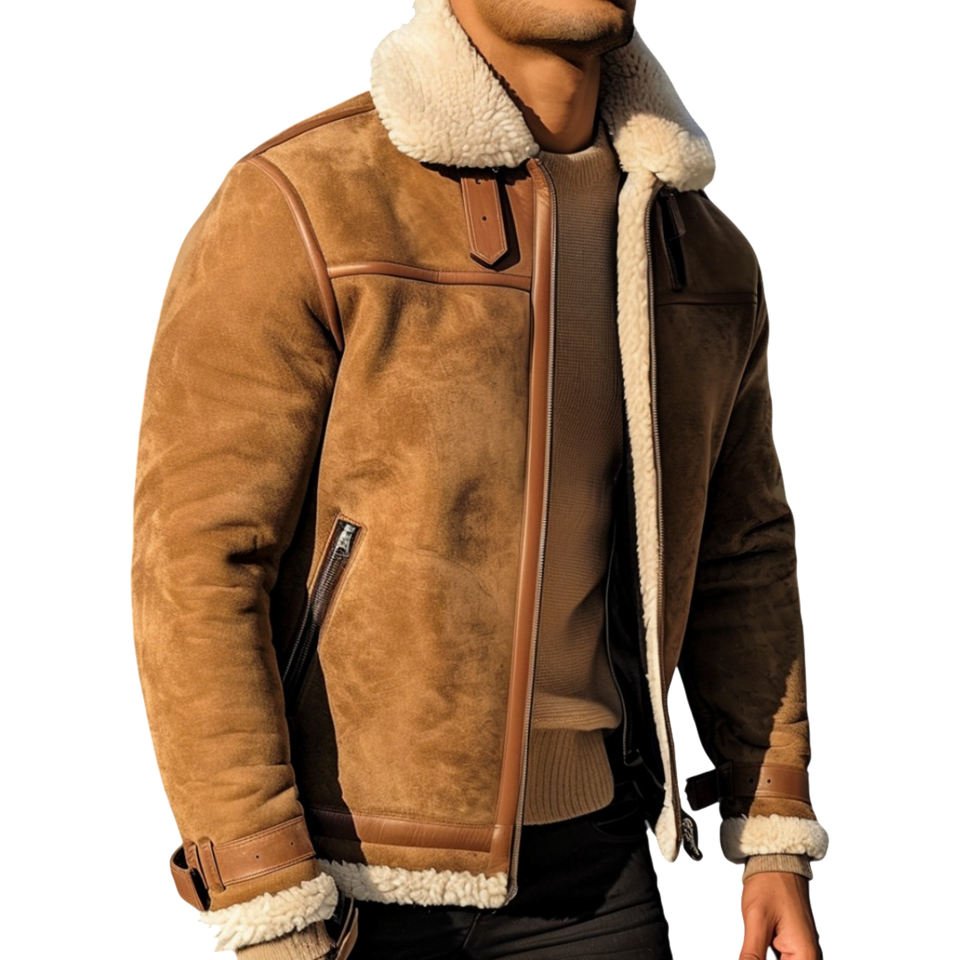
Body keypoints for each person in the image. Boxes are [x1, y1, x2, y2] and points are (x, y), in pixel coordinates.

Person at [130, 1, 829, 957]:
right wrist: (264, 892)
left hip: (597, 870)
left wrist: (774, 826)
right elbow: (197, 566)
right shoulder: (303, 205)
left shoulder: (700, 254)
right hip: (346, 877)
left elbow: (741, 553)